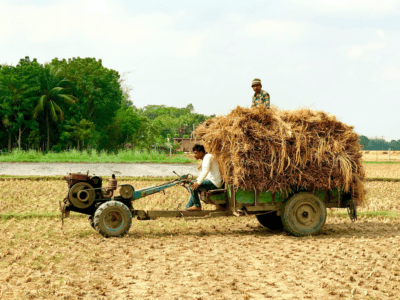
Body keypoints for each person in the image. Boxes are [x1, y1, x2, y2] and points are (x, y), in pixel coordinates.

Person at [185, 144, 223, 211]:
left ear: (201, 152)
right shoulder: (206, 158)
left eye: (196, 153)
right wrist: (196, 182)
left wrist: (198, 182)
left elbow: (205, 170)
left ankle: (197, 205)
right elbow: (204, 173)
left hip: (214, 182)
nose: (194, 155)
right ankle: (187, 208)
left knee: (192, 185)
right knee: (193, 186)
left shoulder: (208, 157)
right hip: (211, 181)